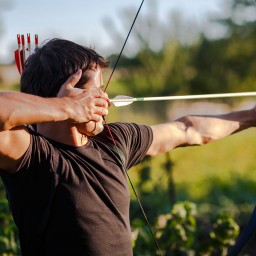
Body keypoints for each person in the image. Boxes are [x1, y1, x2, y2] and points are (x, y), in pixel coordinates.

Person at [0, 38, 255, 256]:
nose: (106, 101)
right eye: (97, 92)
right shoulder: (33, 154)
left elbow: (189, 129)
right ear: (70, 96)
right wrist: (67, 109)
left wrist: (252, 116)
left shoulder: (114, 140)